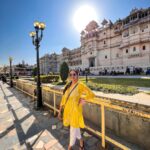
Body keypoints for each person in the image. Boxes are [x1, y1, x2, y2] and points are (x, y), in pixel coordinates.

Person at [58, 69, 95, 150]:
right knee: (75, 128)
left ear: (77, 75)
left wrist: (83, 99)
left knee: (72, 130)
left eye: (74, 74)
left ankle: (69, 147)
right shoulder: (68, 85)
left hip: (76, 112)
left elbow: (91, 94)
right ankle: (81, 143)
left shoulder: (80, 85)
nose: (72, 76)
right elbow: (63, 99)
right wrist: (59, 111)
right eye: (70, 75)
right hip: (68, 111)